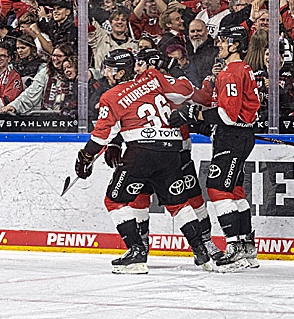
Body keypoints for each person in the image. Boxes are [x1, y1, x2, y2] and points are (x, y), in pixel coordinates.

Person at [74, 49, 219, 274]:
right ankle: (201, 252)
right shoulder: (153, 78)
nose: (107, 73)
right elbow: (182, 92)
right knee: (178, 204)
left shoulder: (111, 96)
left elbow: (101, 135)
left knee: (115, 200)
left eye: (110, 69)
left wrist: (85, 157)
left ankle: (136, 254)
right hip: (171, 149)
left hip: (141, 151)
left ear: (121, 71)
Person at [169, 25, 260, 270]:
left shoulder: (231, 73)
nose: (219, 45)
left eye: (223, 41)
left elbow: (227, 116)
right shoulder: (241, 69)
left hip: (231, 137)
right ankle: (246, 247)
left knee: (218, 189)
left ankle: (233, 248)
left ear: (235, 45)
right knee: (235, 191)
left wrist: (194, 114)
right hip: (240, 136)